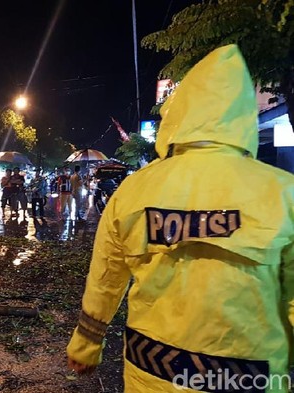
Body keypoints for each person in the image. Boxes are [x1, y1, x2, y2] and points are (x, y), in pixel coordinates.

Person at [66, 45, 294, 392]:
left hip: (152, 370)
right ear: (243, 115)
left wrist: (86, 345)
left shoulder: (135, 190)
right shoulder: (282, 193)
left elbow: (107, 276)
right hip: (252, 376)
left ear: (180, 113)